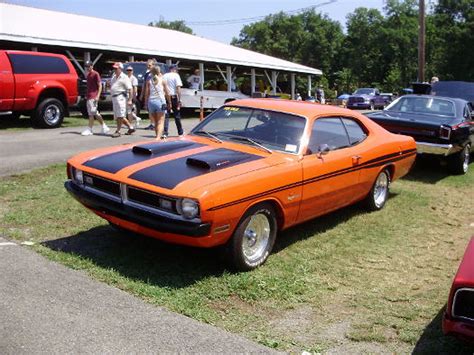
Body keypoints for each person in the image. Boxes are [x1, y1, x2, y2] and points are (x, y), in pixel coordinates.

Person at [81, 61, 110, 136]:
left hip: (94, 96)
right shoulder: (88, 75)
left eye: (89, 66)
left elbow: (100, 85)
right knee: (92, 113)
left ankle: (92, 129)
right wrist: (86, 95)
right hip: (89, 96)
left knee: (93, 112)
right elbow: (89, 87)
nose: (87, 68)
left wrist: (97, 96)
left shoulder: (95, 74)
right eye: (86, 66)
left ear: (92, 66)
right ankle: (103, 127)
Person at [144, 64, 170, 140]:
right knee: (161, 121)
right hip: (160, 101)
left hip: (151, 101)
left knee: (155, 122)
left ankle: (157, 136)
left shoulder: (149, 81)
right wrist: (169, 102)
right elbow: (167, 93)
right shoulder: (162, 80)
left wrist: (145, 103)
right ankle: (158, 138)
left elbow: (146, 93)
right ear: (159, 72)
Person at [109, 62, 134, 138]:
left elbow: (130, 89)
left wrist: (130, 100)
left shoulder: (124, 77)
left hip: (121, 97)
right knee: (118, 115)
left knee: (120, 115)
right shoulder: (113, 77)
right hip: (114, 98)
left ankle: (118, 131)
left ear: (120, 69)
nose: (115, 70)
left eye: (116, 68)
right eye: (114, 68)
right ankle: (131, 127)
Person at [163, 64, 184, 138]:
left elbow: (163, 87)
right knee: (177, 115)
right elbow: (178, 88)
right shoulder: (176, 75)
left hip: (166, 97)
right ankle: (180, 132)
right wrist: (180, 99)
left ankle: (165, 132)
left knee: (166, 115)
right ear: (174, 69)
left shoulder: (165, 75)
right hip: (174, 96)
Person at [141, 59, 157, 130]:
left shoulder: (157, 74)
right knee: (150, 110)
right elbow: (144, 85)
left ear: (153, 65)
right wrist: (142, 94)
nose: (148, 66)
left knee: (155, 110)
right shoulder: (147, 74)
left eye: (149, 65)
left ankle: (156, 124)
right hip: (149, 94)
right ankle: (152, 124)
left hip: (155, 95)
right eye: (147, 65)